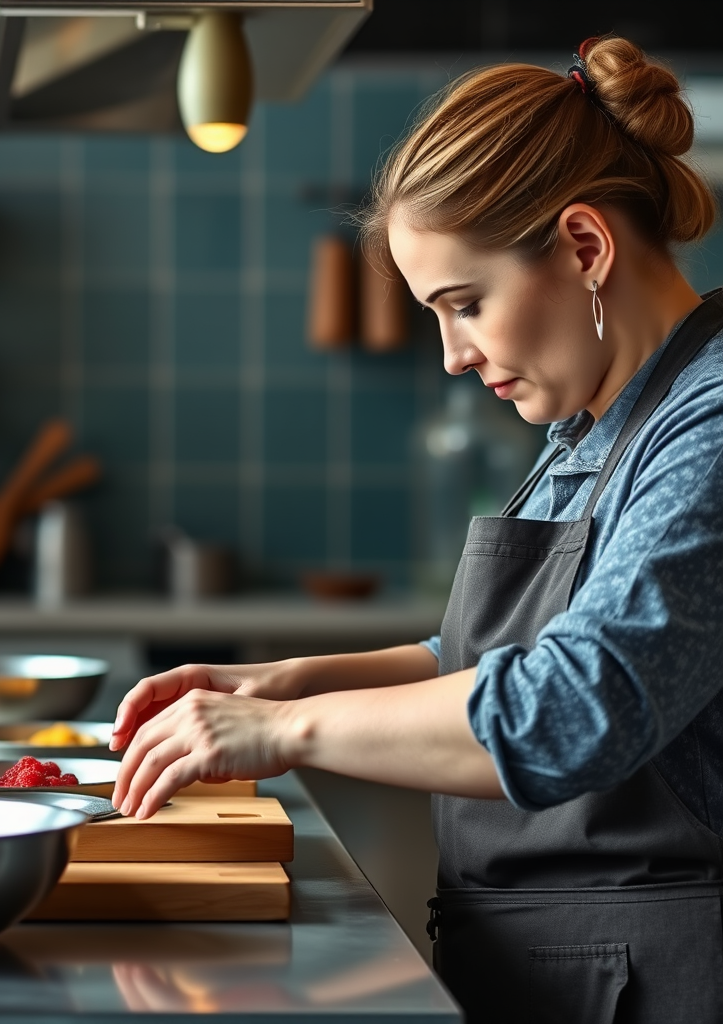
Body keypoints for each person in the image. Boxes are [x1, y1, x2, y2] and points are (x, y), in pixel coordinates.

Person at [110, 36, 723, 1023]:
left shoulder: (709, 426)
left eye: (465, 305)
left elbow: (574, 702)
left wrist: (279, 729)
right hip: (557, 973)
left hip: (655, 984)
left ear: (582, 246)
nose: (450, 355)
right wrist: (292, 680)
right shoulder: (594, 426)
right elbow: (488, 656)